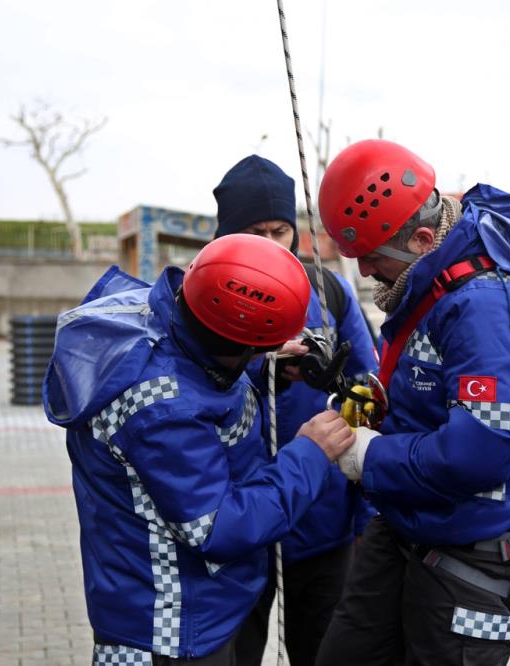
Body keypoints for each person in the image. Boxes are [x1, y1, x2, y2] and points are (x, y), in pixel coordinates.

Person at [312, 139, 510, 666]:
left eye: (372, 258)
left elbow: (481, 451)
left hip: (470, 549)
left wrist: (368, 456)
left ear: (424, 238)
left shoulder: (486, 305)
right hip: (412, 524)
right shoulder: (429, 287)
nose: (364, 272)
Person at [42, 234, 356, 664]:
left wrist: (270, 369)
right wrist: (310, 454)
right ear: (229, 343)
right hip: (170, 631)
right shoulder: (162, 408)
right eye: (255, 348)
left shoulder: (174, 324)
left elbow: (204, 382)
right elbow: (218, 527)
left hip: (203, 611)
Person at [211, 155, 378, 666]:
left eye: (279, 230)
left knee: (323, 652)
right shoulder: (205, 296)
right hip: (237, 524)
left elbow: (370, 394)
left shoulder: (329, 293)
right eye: (253, 231)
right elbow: (189, 394)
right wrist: (262, 373)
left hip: (322, 514)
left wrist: (339, 385)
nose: (268, 242)